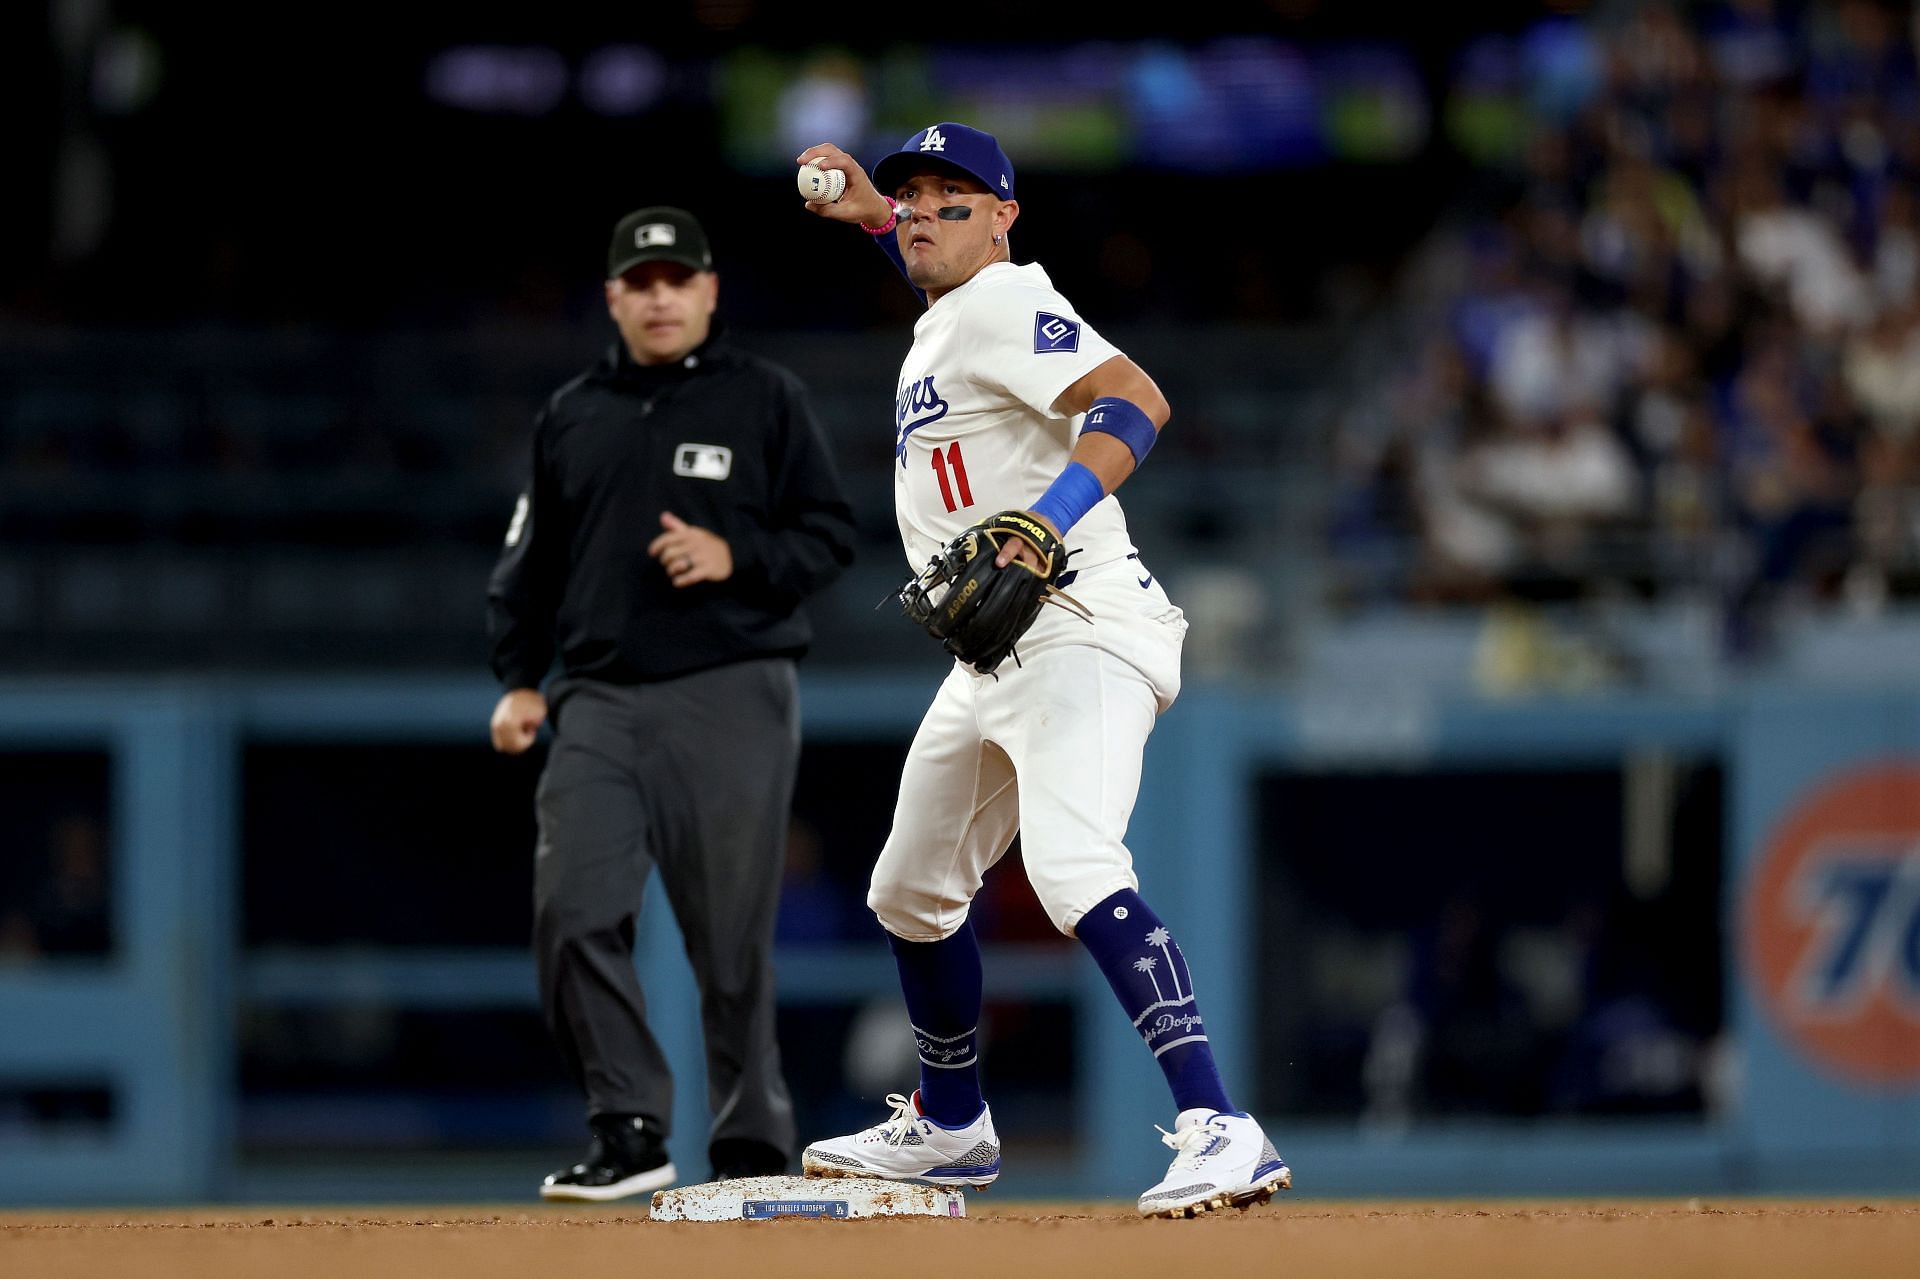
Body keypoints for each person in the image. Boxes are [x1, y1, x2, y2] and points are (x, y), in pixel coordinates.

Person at [791, 125, 1291, 1217]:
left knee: (1072, 868)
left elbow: (1136, 402)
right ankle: (953, 1124)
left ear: (1006, 217)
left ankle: (1220, 1123)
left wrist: (1045, 518)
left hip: (1077, 624)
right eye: (915, 193)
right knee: (910, 890)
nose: (925, 210)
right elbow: (931, 262)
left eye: (951, 198)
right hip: (991, 656)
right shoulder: (955, 312)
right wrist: (874, 213)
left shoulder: (1008, 300)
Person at [487, 206, 856, 1201]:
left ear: (709, 290)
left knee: (728, 937)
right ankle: (631, 1127)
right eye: (640, 282)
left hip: (731, 689)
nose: (659, 297)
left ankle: (749, 1142)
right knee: (571, 911)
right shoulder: (571, 413)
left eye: (676, 279)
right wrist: (520, 677)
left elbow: (831, 535)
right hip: (597, 698)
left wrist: (738, 556)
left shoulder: (766, 400)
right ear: (613, 297)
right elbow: (529, 566)